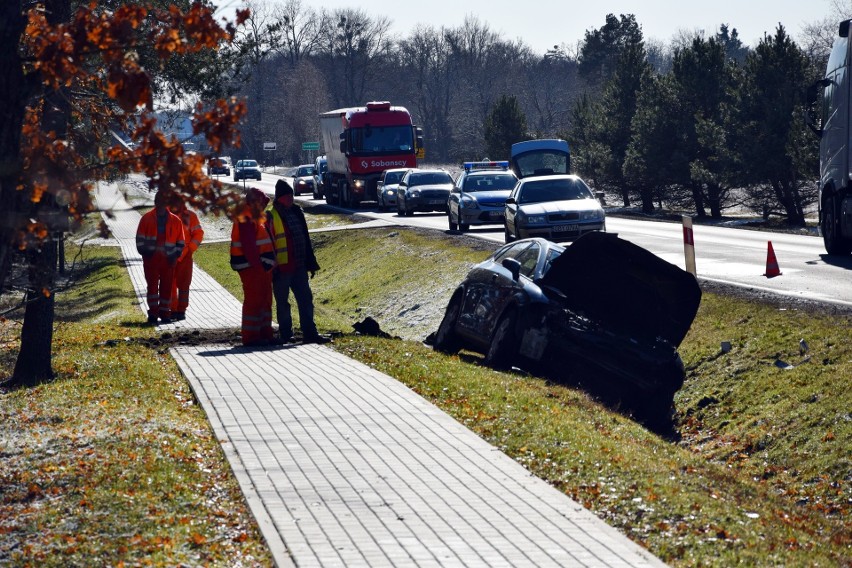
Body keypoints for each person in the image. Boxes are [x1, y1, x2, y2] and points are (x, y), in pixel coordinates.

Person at [267, 179, 329, 344]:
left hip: (299, 267)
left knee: (306, 300)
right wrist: (272, 265)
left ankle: (310, 333)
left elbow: (305, 239)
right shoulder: (271, 216)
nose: (290, 198)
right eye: (287, 196)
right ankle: (286, 335)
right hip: (281, 268)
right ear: (279, 198)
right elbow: (268, 242)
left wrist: (310, 262)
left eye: (291, 195)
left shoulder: (297, 212)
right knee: (283, 304)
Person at [230, 188, 276, 346]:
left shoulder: (252, 216)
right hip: (252, 267)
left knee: (264, 301)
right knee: (255, 301)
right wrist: (258, 266)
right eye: (262, 203)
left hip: (258, 267)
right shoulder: (247, 217)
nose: (264, 206)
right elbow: (249, 246)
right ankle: (251, 337)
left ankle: (264, 334)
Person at [136, 190, 186, 324]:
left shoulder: (176, 221)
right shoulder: (146, 219)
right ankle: (153, 313)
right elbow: (139, 240)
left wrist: (175, 255)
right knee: (152, 288)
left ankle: (165, 314)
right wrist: (146, 253)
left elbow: (181, 242)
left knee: (167, 288)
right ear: (156, 202)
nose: (161, 204)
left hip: (168, 260)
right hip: (151, 259)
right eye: (159, 201)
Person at [170, 199, 204, 321]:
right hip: (170, 256)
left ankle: (181, 310)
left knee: (183, 284)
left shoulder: (190, 216)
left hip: (184, 256)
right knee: (170, 284)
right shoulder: (165, 216)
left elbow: (198, 234)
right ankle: (173, 309)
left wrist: (190, 250)